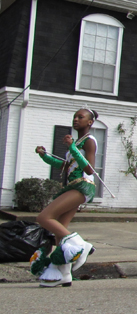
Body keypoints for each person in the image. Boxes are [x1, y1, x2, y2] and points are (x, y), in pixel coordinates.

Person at [30, 108, 98, 287]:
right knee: (60, 230)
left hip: (82, 185)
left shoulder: (89, 141)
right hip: (72, 186)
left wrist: (72, 147)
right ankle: (64, 273)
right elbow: (64, 165)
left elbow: (89, 168)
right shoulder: (78, 143)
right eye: (75, 117)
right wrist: (44, 156)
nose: (76, 119)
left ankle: (81, 247)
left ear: (90, 122)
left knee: (44, 217)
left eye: (80, 117)